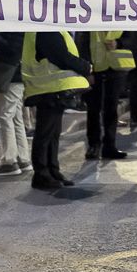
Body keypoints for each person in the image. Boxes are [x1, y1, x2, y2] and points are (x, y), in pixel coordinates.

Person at [22, 30, 91, 190]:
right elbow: (60, 56)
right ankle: (42, 174)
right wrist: (85, 66)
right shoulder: (46, 29)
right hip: (47, 89)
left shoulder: (49, 27)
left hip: (53, 89)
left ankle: (52, 170)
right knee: (45, 133)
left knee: (52, 134)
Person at [84, 30, 132, 161]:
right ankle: (93, 145)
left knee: (111, 109)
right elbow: (82, 45)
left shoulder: (119, 16)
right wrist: (87, 71)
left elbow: (131, 39)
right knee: (93, 108)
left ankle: (109, 146)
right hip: (95, 70)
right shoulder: (88, 18)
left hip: (115, 69)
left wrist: (118, 43)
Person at [0, 31, 31, 175]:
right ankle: (22, 158)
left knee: (4, 116)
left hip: (10, 76)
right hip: (18, 75)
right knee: (16, 118)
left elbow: (12, 47)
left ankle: (9, 161)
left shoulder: (15, 27)